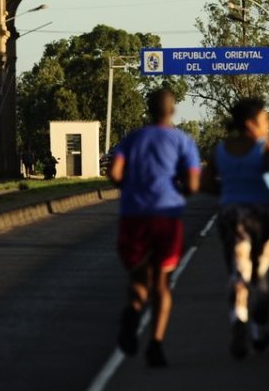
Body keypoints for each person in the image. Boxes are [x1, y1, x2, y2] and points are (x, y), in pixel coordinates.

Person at [108, 89, 200, 368]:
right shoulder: (183, 141)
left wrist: (130, 188)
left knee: (138, 279)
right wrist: (178, 192)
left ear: (148, 109)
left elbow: (114, 173)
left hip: (133, 215)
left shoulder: (132, 139)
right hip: (167, 216)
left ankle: (134, 310)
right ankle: (156, 344)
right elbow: (193, 184)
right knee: (161, 282)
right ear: (172, 110)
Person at [200, 97, 269, 359]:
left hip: (231, 216)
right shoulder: (267, 148)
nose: (268, 125)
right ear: (251, 124)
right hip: (262, 216)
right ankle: (259, 326)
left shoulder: (220, 150)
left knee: (238, 273)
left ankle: (239, 320)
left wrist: (229, 191)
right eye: (265, 120)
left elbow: (206, 184)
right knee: (259, 274)